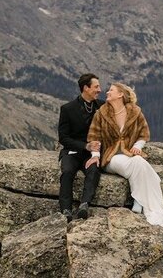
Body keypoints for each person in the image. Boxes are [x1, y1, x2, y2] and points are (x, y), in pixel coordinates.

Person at [86, 82, 163, 242]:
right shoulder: (101, 113)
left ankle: (139, 202)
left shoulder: (135, 112)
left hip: (130, 154)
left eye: (111, 90)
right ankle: (139, 199)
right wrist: (95, 155)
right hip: (110, 157)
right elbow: (94, 136)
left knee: (138, 161)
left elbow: (144, 134)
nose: (107, 92)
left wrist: (138, 147)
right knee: (138, 164)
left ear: (121, 94)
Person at [57, 73, 103, 221]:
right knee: (67, 171)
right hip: (73, 151)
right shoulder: (68, 109)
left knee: (94, 170)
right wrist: (85, 146)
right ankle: (66, 209)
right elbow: (63, 138)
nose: (100, 90)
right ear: (86, 88)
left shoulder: (102, 107)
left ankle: (84, 204)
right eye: (96, 87)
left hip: (92, 153)